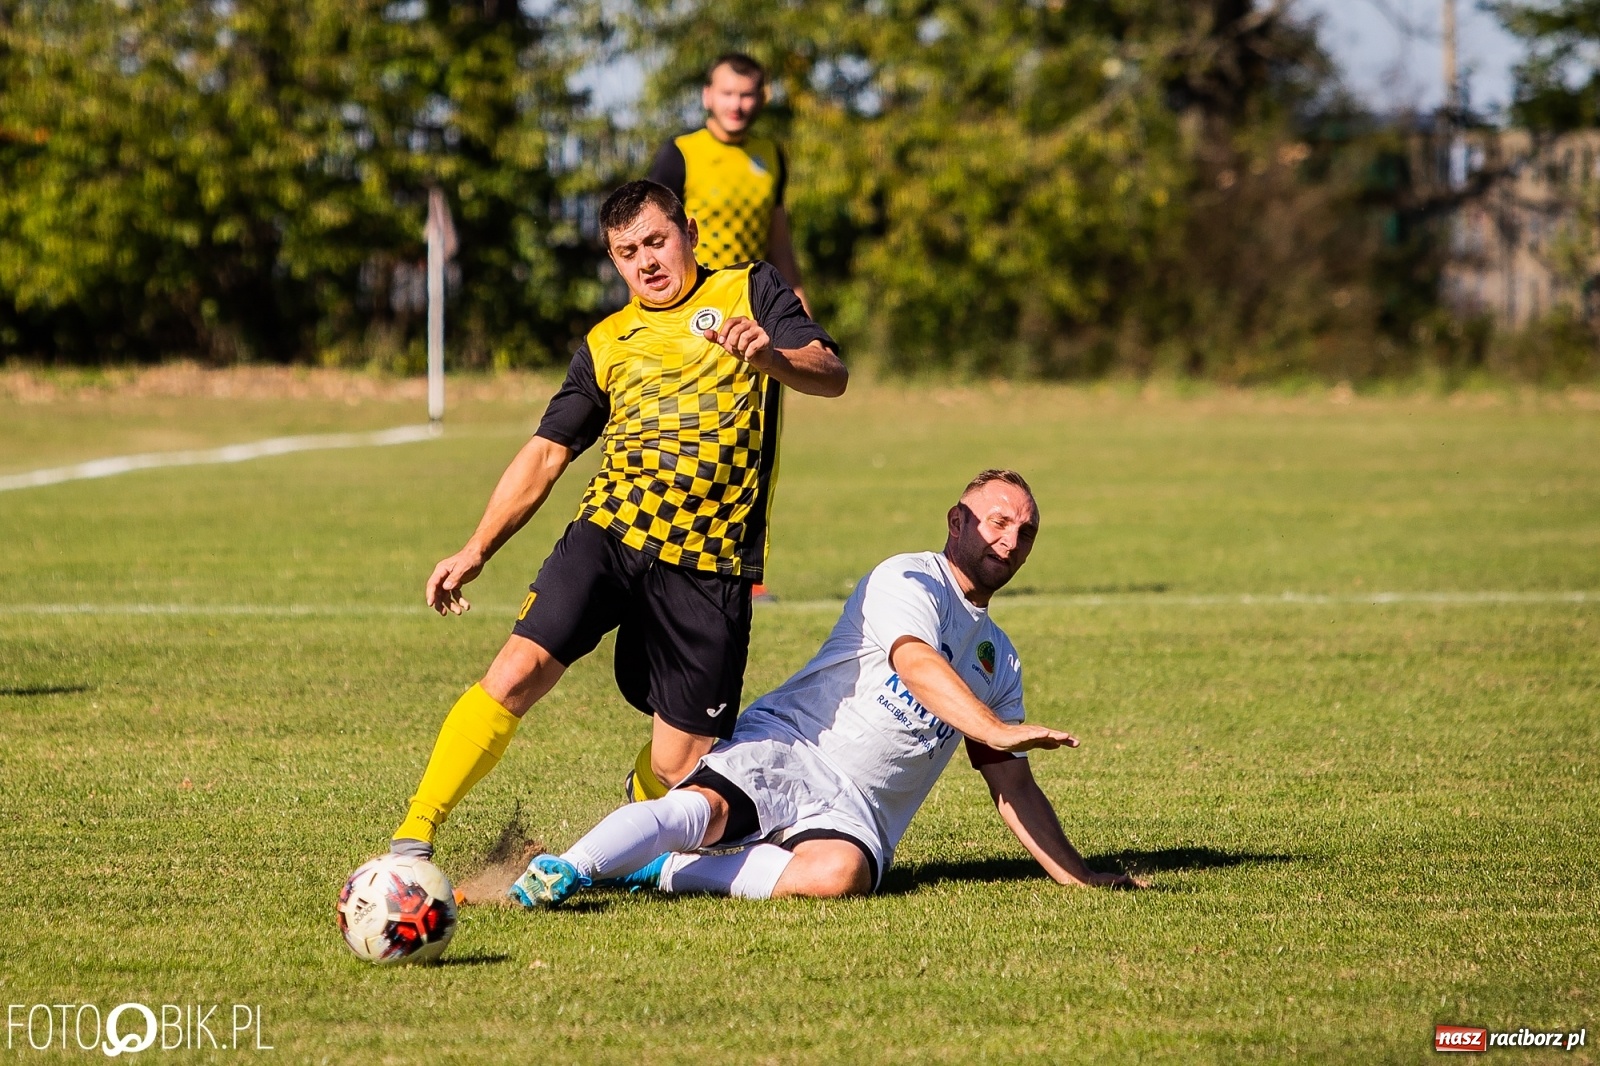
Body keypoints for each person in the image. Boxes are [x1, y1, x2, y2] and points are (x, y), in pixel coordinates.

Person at [389, 180, 847, 861]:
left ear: (689, 231)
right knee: (516, 672)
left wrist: (770, 357)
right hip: (610, 534)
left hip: (708, 559)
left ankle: (638, 817)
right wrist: (476, 547)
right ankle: (412, 839)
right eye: (626, 252)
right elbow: (547, 452)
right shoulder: (608, 342)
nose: (646, 263)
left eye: (656, 242)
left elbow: (830, 373)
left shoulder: (751, 289)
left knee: (679, 767)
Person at [509, 470, 1144, 907]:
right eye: (996, 521)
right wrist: (996, 728)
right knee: (705, 811)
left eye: (1024, 531)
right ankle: (564, 870)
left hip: (858, 811)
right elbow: (917, 665)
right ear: (957, 521)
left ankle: (662, 868)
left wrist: (1080, 877)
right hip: (796, 747)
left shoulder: (997, 658)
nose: (1007, 540)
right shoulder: (910, 579)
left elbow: (1013, 787)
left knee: (839, 876)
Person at [648, 53, 807, 311]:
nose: (736, 105)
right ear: (707, 95)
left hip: (753, 303)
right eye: (727, 93)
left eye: (746, 95)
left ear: (761, 98)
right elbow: (648, 237)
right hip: (690, 304)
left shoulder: (771, 154)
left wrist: (805, 321)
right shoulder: (680, 153)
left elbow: (779, 245)